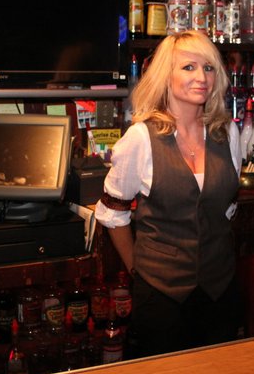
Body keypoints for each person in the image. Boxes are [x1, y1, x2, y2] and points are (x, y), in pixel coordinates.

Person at [94, 30, 242, 356]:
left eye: (209, 68)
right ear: (166, 75)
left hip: (220, 291)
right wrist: (140, 271)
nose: (201, 77)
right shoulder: (141, 139)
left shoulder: (227, 133)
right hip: (161, 297)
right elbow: (112, 214)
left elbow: (227, 206)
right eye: (189, 67)